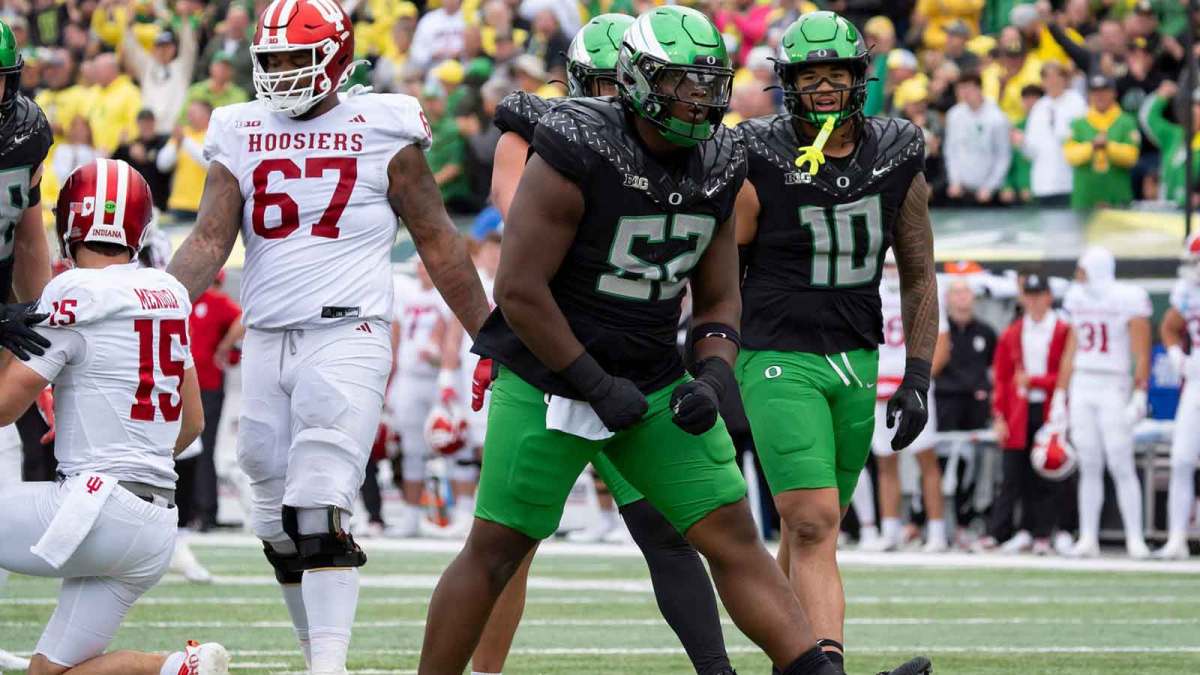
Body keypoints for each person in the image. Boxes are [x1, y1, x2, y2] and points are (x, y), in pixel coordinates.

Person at [422, 6, 928, 675]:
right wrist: (594, 383)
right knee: (497, 549)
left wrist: (715, 374)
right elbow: (518, 290)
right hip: (549, 373)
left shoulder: (720, 158)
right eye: (680, 81)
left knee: (733, 538)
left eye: (708, 80)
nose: (698, 97)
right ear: (635, 79)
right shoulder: (577, 142)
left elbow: (719, 298)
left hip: (651, 372)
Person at [166, 2, 490, 673]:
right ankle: (316, 652)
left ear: (338, 58)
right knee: (270, 514)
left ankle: (330, 665)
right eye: (273, 60)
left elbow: (436, 238)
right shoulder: (239, 127)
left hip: (347, 332)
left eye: (296, 58)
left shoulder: (382, 123)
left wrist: (491, 334)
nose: (282, 74)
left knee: (318, 504)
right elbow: (207, 239)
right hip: (266, 335)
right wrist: (155, 306)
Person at [469, 14, 735, 675]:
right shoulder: (556, 138)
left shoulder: (672, 151)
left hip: (636, 363)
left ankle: (717, 668)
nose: (613, 101)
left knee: (666, 530)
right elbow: (516, 231)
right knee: (508, 542)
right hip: (548, 361)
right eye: (600, 86)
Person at [734, 11, 939, 673]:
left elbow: (917, 267)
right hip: (775, 350)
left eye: (837, 73)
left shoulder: (899, 146)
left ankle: (792, 665)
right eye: (809, 76)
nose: (823, 87)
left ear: (861, 78)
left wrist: (919, 372)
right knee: (816, 518)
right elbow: (718, 259)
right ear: (787, 84)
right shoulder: (757, 149)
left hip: (856, 351)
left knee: (809, 529)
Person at [0, 158, 229, 675]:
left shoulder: (74, 290)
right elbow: (191, 422)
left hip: (96, 509)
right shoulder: (167, 291)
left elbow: (3, 407)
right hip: (154, 525)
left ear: (69, 223)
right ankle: (179, 667)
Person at [1054, 246, 1151, 559]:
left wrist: (1140, 392)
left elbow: (1141, 350)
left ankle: (1135, 538)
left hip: (1114, 382)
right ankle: (1088, 537)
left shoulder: (1127, 297)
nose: (1078, 277)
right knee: (1089, 462)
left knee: (1120, 461)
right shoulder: (1077, 298)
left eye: (1083, 270)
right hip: (1084, 381)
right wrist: (1060, 393)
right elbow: (1071, 348)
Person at [856, 256, 949, 554]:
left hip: (911, 384)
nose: (893, 274)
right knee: (885, 461)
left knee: (926, 459)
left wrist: (918, 381)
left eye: (897, 266)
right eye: (889, 267)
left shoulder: (923, 292)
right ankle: (890, 530)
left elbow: (942, 343)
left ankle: (936, 531)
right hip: (881, 384)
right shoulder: (871, 294)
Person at [976, 271, 1071, 555]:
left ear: (1048, 298)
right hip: (1019, 410)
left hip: (1052, 409)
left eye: (1038, 296)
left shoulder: (1063, 330)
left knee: (1051, 471)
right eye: (1028, 296)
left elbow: (1066, 373)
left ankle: (1050, 530)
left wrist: (1037, 382)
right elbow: (1003, 380)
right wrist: (999, 416)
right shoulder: (1013, 332)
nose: (1033, 302)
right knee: (1014, 473)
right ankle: (1014, 531)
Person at [387, 262, 447, 538]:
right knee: (411, 450)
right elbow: (396, 340)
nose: (425, 270)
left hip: (439, 378)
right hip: (410, 379)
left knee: (455, 445)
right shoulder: (406, 295)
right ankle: (411, 516)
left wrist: (440, 358)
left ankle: (461, 513)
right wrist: (391, 380)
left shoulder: (445, 296)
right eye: (421, 266)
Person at [183, 269, 242, 532]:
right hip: (203, 385)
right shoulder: (215, 302)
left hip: (185, 384)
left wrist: (224, 346)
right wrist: (224, 347)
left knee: (190, 448)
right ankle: (203, 510)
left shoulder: (192, 301)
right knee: (202, 449)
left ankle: (195, 509)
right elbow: (245, 317)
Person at [1156, 232, 1200, 560]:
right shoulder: (1187, 290)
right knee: (1181, 458)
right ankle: (1176, 538)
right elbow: (1170, 326)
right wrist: (1176, 355)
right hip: (1196, 380)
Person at [1063, 74, 1140, 210]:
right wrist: (1092, 146)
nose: (1100, 96)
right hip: (1085, 199)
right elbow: (1070, 156)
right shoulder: (1078, 123)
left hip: (1117, 198)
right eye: (1095, 92)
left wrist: (1108, 146)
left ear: (1114, 93)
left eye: (1104, 91)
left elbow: (1131, 157)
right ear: (1089, 95)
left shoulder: (1126, 122)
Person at [1023, 62, 1087, 207]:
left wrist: (1057, 125)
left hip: (1069, 180)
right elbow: (1031, 150)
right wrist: (1021, 143)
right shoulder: (1038, 107)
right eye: (1047, 78)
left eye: (1056, 77)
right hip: (1043, 183)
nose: (1052, 82)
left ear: (1064, 79)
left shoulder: (1076, 102)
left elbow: (1079, 137)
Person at [944, 72, 1011, 205]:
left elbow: (1003, 156)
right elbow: (951, 151)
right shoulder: (954, 115)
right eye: (961, 89)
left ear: (979, 88)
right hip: (961, 191)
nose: (965, 94)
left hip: (988, 194)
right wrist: (955, 181)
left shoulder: (997, 117)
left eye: (968, 89)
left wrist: (990, 187)